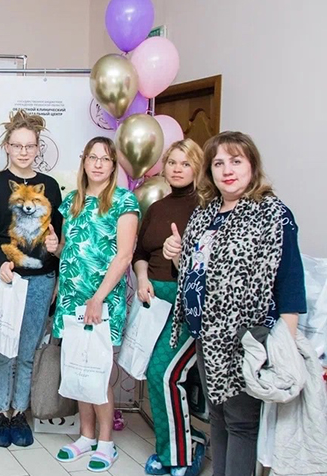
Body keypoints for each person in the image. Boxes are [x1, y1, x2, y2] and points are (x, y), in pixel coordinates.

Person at [163, 131, 305, 476]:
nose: (227, 170)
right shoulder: (205, 214)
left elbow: (290, 280)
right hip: (207, 335)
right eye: (219, 163)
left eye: (236, 161)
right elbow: (196, 272)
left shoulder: (272, 213)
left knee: (241, 421)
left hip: (247, 338)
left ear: (252, 165)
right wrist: (176, 255)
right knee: (219, 417)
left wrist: (282, 346)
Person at [0, 110, 63, 448]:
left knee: (27, 351)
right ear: (7, 147)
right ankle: (1, 412)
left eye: (30, 146)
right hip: (3, 278)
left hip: (41, 280)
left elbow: (57, 237)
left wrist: (57, 252)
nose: (24, 151)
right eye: (17, 145)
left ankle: (19, 413)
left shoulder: (50, 186)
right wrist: (0, 263)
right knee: (3, 350)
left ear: (38, 147)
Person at [54, 136, 139, 472]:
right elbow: (67, 249)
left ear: (114, 165)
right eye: (93, 157)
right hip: (71, 299)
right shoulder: (72, 201)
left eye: (105, 158)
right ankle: (85, 436)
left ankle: (106, 442)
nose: (98, 164)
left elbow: (124, 256)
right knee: (78, 368)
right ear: (84, 161)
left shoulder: (123, 201)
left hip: (101, 300)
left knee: (97, 371)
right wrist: (53, 247)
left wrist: (98, 298)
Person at [132, 139, 207, 476]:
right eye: (172, 162)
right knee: (156, 373)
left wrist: (180, 257)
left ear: (197, 168)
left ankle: (178, 455)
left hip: (186, 305)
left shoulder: (206, 208)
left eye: (185, 163)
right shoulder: (158, 207)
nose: (177, 169)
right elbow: (140, 253)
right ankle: (182, 444)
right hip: (154, 302)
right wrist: (142, 278)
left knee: (164, 374)